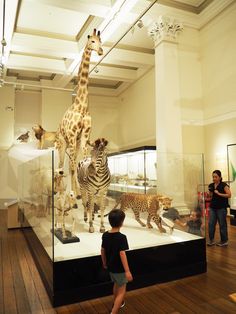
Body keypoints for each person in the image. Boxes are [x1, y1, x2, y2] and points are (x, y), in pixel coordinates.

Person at [101, 209, 133, 314]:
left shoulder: (105, 235)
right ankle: (114, 311)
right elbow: (122, 254)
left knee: (115, 284)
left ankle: (116, 302)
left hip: (110, 267)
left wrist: (104, 263)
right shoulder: (122, 238)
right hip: (120, 269)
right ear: (122, 222)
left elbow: (102, 250)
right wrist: (127, 271)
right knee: (122, 290)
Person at [207, 169, 231, 246]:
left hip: (221, 208)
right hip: (213, 208)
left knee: (222, 224)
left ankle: (224, 241)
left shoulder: (224, 185)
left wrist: (219, 193)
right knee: (211, 224)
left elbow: (229, 195)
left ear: (220, 177)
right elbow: (211, 196)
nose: (214, 178)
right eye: (213, 177)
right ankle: (211, 240)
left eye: (216, 177)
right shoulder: (211, 185)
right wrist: (209, 194)